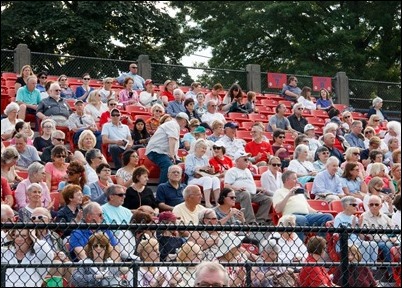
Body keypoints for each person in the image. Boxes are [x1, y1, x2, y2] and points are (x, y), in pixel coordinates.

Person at [273, 170, 333, 240]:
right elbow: (277, 209)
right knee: (301, 219)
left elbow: (308, 208)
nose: (297, 181)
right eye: (295, 178)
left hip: (307, 216)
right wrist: (288, 195)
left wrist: (318, 213)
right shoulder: (279, 192)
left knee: (328, 217)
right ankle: (300, 247)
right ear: (287, 180)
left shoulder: (299, 192)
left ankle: (319, 244)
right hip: (291, 216)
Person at [224, 150, 272, 224]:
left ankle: (260, 220)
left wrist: (258, 189)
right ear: (237, 161)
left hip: (251, 194)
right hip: (236, 194)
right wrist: (238, 188)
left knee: (267, 199)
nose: (248, 161)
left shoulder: (248, 171)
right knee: (245, 194)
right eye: (245, 159)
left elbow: (250, 185)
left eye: (248, 159)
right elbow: (226, 185)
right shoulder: (231, 171)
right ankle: (250, 221)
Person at [146, 112, 189, 184]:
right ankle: (162, 190)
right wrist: (172, 155)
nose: (185, 126)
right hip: (157, 151)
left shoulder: (173, 125)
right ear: (184, 121)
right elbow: (172, 139)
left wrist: (176, 158)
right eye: (186, 124)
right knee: (168, 166)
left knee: (183, 168)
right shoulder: (173, 124)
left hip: (162, 152)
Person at [334, 196, 379, 264]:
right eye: (354, 205)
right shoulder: (339, 218)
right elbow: (338, 236)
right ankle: (363, 269)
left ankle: (372, 269)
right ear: (346, 206)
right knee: (365, 245)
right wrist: (352, 227)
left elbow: (362, 238)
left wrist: (360, 227)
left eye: (356, 205)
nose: (356, 207)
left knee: (373, 244)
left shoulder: (354, 217)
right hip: (344, 243)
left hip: (357, 241)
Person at [185, 139, 221, 208]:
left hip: (204, 177)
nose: (204, 150)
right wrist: (200, 168)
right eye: (203, 148)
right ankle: (207, 203)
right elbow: (188, 170)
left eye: (205, 149)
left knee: (215, 179)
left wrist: (210, 170)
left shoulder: (205, 158)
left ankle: (217, 202)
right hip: (193, 178)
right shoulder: (190, 157)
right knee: (207, 179)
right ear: (196, 148)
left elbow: (207, 171)